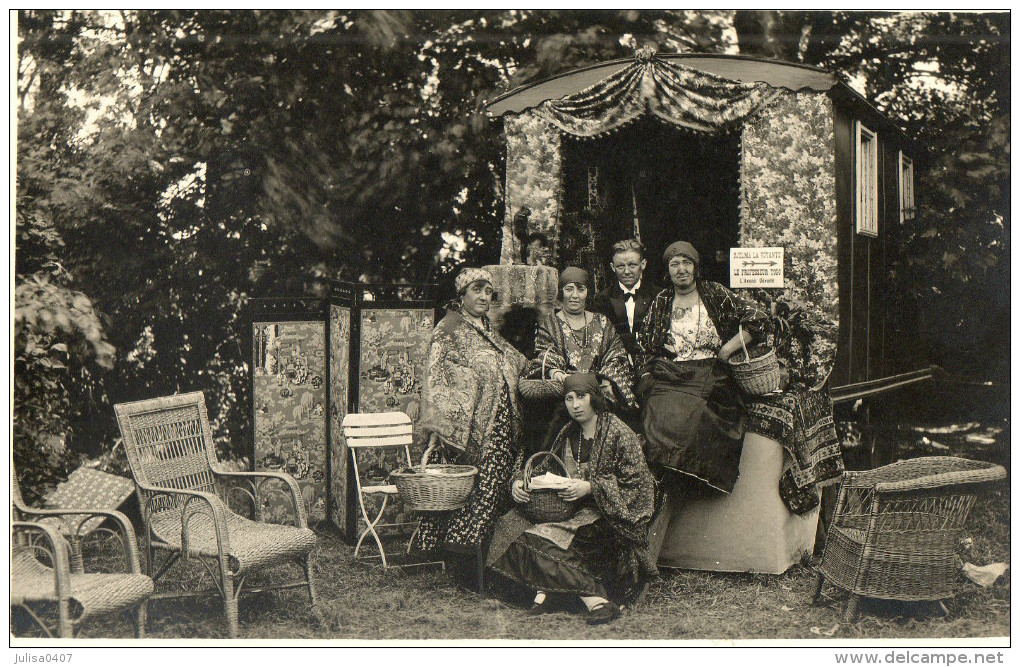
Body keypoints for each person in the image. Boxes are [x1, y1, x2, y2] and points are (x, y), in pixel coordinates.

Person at [634, 241, 771, 560]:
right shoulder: (662, 300)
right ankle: (663, 471)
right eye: (673, 265)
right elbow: (645, 345)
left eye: (686, 263)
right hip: (673, 370)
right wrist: (646, 376)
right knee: (656, 410)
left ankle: (681, 471)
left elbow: (758, 320)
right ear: (667, 271)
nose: (680, 270)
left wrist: (728, 349)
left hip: (711, 371)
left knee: (694, 414)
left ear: (696, 266)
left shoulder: (715, 293)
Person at [487, 373, 657, 624]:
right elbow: (545, 468)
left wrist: (590, 488)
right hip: (569, 512)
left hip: (608, 517)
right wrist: (520, 484)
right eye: (569, 398)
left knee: (543, 543)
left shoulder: (619, 433)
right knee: (509, 527)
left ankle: (590, 600)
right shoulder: (568, 432)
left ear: (594, 398)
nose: (575, 405)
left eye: (581, 397)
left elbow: (639, 487)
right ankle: (565, 595)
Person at [412, 268, 528, 569]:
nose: (483, 297)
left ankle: (477, 552)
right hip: (465, 427)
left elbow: (514, 361)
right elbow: (435, 375)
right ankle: (454, 553)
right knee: (466, 486)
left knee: (490, 486)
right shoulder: (449, 327)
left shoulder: (489, 331)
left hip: (499, 423)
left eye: (488, 291)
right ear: (461, 295)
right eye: (477, 289)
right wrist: (443, 423)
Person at [525, 266, 635, 412]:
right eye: (569, 289)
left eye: (580, 289)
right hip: (566, 393)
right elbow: (545, 354)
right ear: (561, 292)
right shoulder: (550, 324)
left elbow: (616, 353)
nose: (575, 295)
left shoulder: (602, 321)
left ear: (587, 292)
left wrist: (606, 379)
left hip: (599, 392)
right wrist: (555, 373)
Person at [590, 239, 659, 360]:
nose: (626, 272)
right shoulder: (602, 299)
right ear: (612, 267)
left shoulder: (658, 295)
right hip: (616, 361)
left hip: (652, 362)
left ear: (643, 264)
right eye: (621, 266)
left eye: (632, 265)